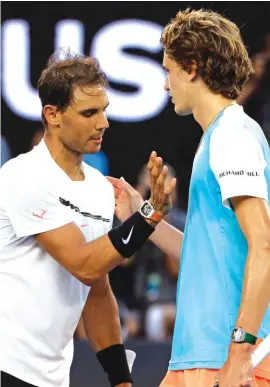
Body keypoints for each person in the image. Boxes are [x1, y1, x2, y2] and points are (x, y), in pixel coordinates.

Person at [108, 8, 270, 387]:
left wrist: (240, 352)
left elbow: (264, 245)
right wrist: (141, 211)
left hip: (223, 355)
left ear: (192, 68)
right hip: (197, 354)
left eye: (168, 70)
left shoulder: (232, 134)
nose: (166, 84)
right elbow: (203, 252)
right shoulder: (217, 136)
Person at [0, 51, 176, 387]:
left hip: (53, 375)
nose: (103, 123)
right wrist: (147, 217)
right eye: (89, 113)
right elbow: (83, 264)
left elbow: (95, 290)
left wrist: (121, 380)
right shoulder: (23, 177)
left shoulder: (98, 187)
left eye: (104, 110)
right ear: (52, 115)